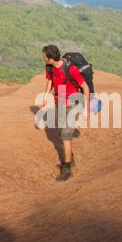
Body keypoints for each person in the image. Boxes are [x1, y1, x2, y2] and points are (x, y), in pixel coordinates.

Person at [42, 44, 91, 181]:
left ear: (50, 57)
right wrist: (45, 97)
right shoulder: (50, 68)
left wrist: (86, 108)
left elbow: (84, 87)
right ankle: (71, 158)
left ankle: (67, 168)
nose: (43, 58)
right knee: (62, 131)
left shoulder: (71, 69)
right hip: (60, 100)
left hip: (72, 103)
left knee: (65, 135)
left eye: (45, 56)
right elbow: (50, 81)